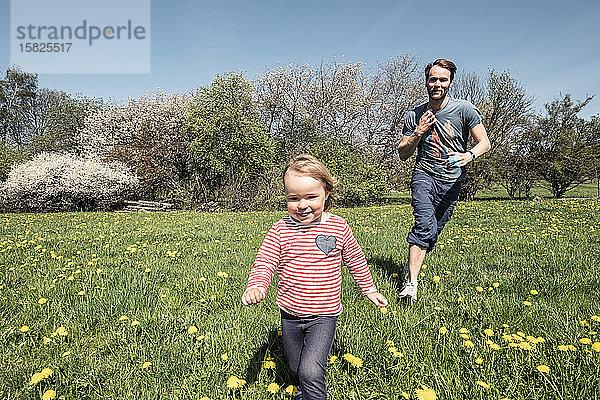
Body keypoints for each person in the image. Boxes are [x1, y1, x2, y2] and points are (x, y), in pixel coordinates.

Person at [242, 154, 388, 400]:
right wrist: (256, 286)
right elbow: (265, 261)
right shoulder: (280, 229)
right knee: (298, 368)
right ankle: (305, 394)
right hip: (289, 314)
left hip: (324, 314)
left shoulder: (338, 228)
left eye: (311, 197)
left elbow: (355, 259)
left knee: (310, 371)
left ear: (326, 193)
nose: (302, 205)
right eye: (293, 198)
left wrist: (369, 289)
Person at [397, 59, 491, 302]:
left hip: (452, 181)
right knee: (424, 224)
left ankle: (410, 268)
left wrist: (468, 155)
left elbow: (485, 143)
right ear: (426, 81)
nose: (437, 84)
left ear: (450, 82)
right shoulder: (414, 115)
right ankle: (411, 284)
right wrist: (418, 131)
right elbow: (403, 153)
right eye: (433, 79)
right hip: (424, 175)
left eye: (442, 79)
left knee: (433, 231)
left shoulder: (464, 110)